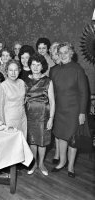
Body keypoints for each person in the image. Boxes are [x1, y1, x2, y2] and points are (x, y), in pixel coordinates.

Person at [50, 42, 89, 178]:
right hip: (59, 110)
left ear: (71, 53)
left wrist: (82, 112)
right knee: (60, 136)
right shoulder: (54, 70)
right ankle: (62, 162)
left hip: (74, 110)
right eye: (60, 52)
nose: (63, 55)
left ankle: (71, 166)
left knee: (72, 139)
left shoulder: (78, 69)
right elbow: (51, 93)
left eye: (66, 52)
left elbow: (84, 93)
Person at [25, 53, 55, 176]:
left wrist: (51, 119)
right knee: (32, 141)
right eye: (33, 64)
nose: (36, 67)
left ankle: (41, 163)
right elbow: (22, 99)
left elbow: (53, 102)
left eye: (38, 64)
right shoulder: (25, 81)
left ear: (42, 66)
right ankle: (34, 162)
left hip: (44, 116)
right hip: (30, 116)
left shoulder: (48, 81)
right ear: (30, 66)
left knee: (42, 141)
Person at [0, 60, 27, 138]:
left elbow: (24, 99)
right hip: (9, 121)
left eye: (15, 70)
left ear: (19, 71)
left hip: (22, 119)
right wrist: (2, 125)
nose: (13, 73)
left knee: (22, 144)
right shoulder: (2, 86)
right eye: (10, 70)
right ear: (6, 71)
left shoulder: (22, 82)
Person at [49, 42, 61, 164]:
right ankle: (57, 153)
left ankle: (64, 155)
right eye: (53, 55)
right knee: (57, 130)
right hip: (55, 102)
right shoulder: (52, 70)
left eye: (56, 54)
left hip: (67, 103)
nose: (55, 57)